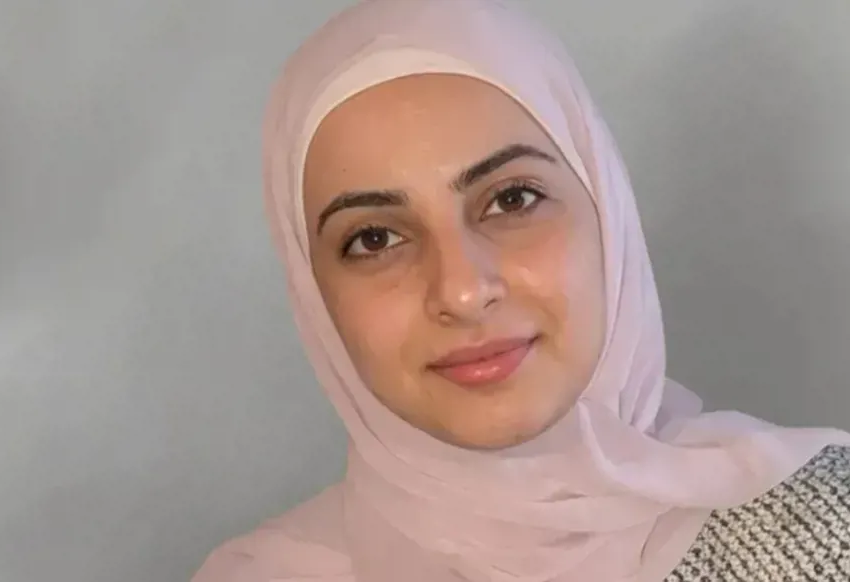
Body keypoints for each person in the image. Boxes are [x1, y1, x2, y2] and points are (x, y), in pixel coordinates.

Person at [192, 1, 850, 580]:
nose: (462, 292)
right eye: (374, 239)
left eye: (512, 198)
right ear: (314, 293)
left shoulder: (827, 531)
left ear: (608, 218)